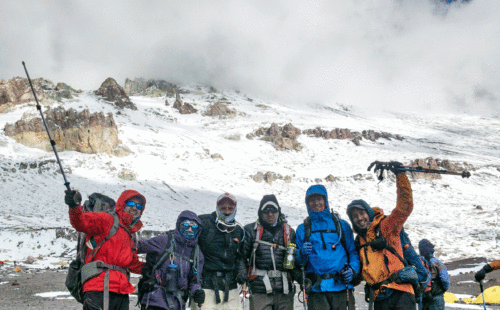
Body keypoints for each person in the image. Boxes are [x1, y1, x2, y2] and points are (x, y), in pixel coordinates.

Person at [346, 162, 416, 310]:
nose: (359, 218)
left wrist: (400, 176)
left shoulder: (386, 225)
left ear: (368, 212)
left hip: (400, 291)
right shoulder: (359, 242)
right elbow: (360, 273)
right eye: (354, 216)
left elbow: (404, 207)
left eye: (361, 213)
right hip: (379, 297)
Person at [65, 189, 146, 310]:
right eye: (131, 204)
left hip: (122, 292)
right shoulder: (107, 220)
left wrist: (155, 268)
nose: (135, 208)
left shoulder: (131, 235)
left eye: (139, 206)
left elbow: (132, 264)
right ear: (122, 204)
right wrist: (74, 206)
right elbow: (80, 222)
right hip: (98, 289)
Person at [295, 184, 360, 310]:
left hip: (342, 287)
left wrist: (352, 270)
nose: (316, 203)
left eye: (319, 199)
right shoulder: (302, 229)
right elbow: (298, 263)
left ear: (326, 200)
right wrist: (301, 253)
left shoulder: (342, 225)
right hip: (316, 290)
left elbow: (352, 252)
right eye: (312, 200)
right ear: (307, 203)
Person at [239, 194, 301, 310]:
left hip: (285, 291)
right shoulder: (251, 231)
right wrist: (242, 274)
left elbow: (293, 263)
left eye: (273, 210)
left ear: (278, 211)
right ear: (260, 213)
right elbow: (242, 257)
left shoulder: (289, 233)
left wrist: (301, 279)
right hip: (260, 291)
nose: (270, 214)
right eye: (266, 211)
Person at [137, 210, 205, 310]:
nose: (190, 230)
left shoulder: (197, 254)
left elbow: (195, 280)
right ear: (179, 225)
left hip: (177, 303)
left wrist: (197, 291)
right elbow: (137, 247)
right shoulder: (163, 241)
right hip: (154, 300)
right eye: (186, 226)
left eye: (194, 227)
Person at [192, 192, 246, 310]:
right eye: (223, 206)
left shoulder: (238, 230)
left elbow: (240, 256)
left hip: (231, 287)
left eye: (230, 207)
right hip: (206, 285)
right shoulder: (203, 223)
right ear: (217, 207)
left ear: (235, 208)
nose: (226, 209)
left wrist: (241, 272)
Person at [418, 239, 449, 310]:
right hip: (436, 296)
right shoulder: (438, 263)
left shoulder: (418, 263)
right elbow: (445, 280)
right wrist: (443, 289)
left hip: (423, 297)